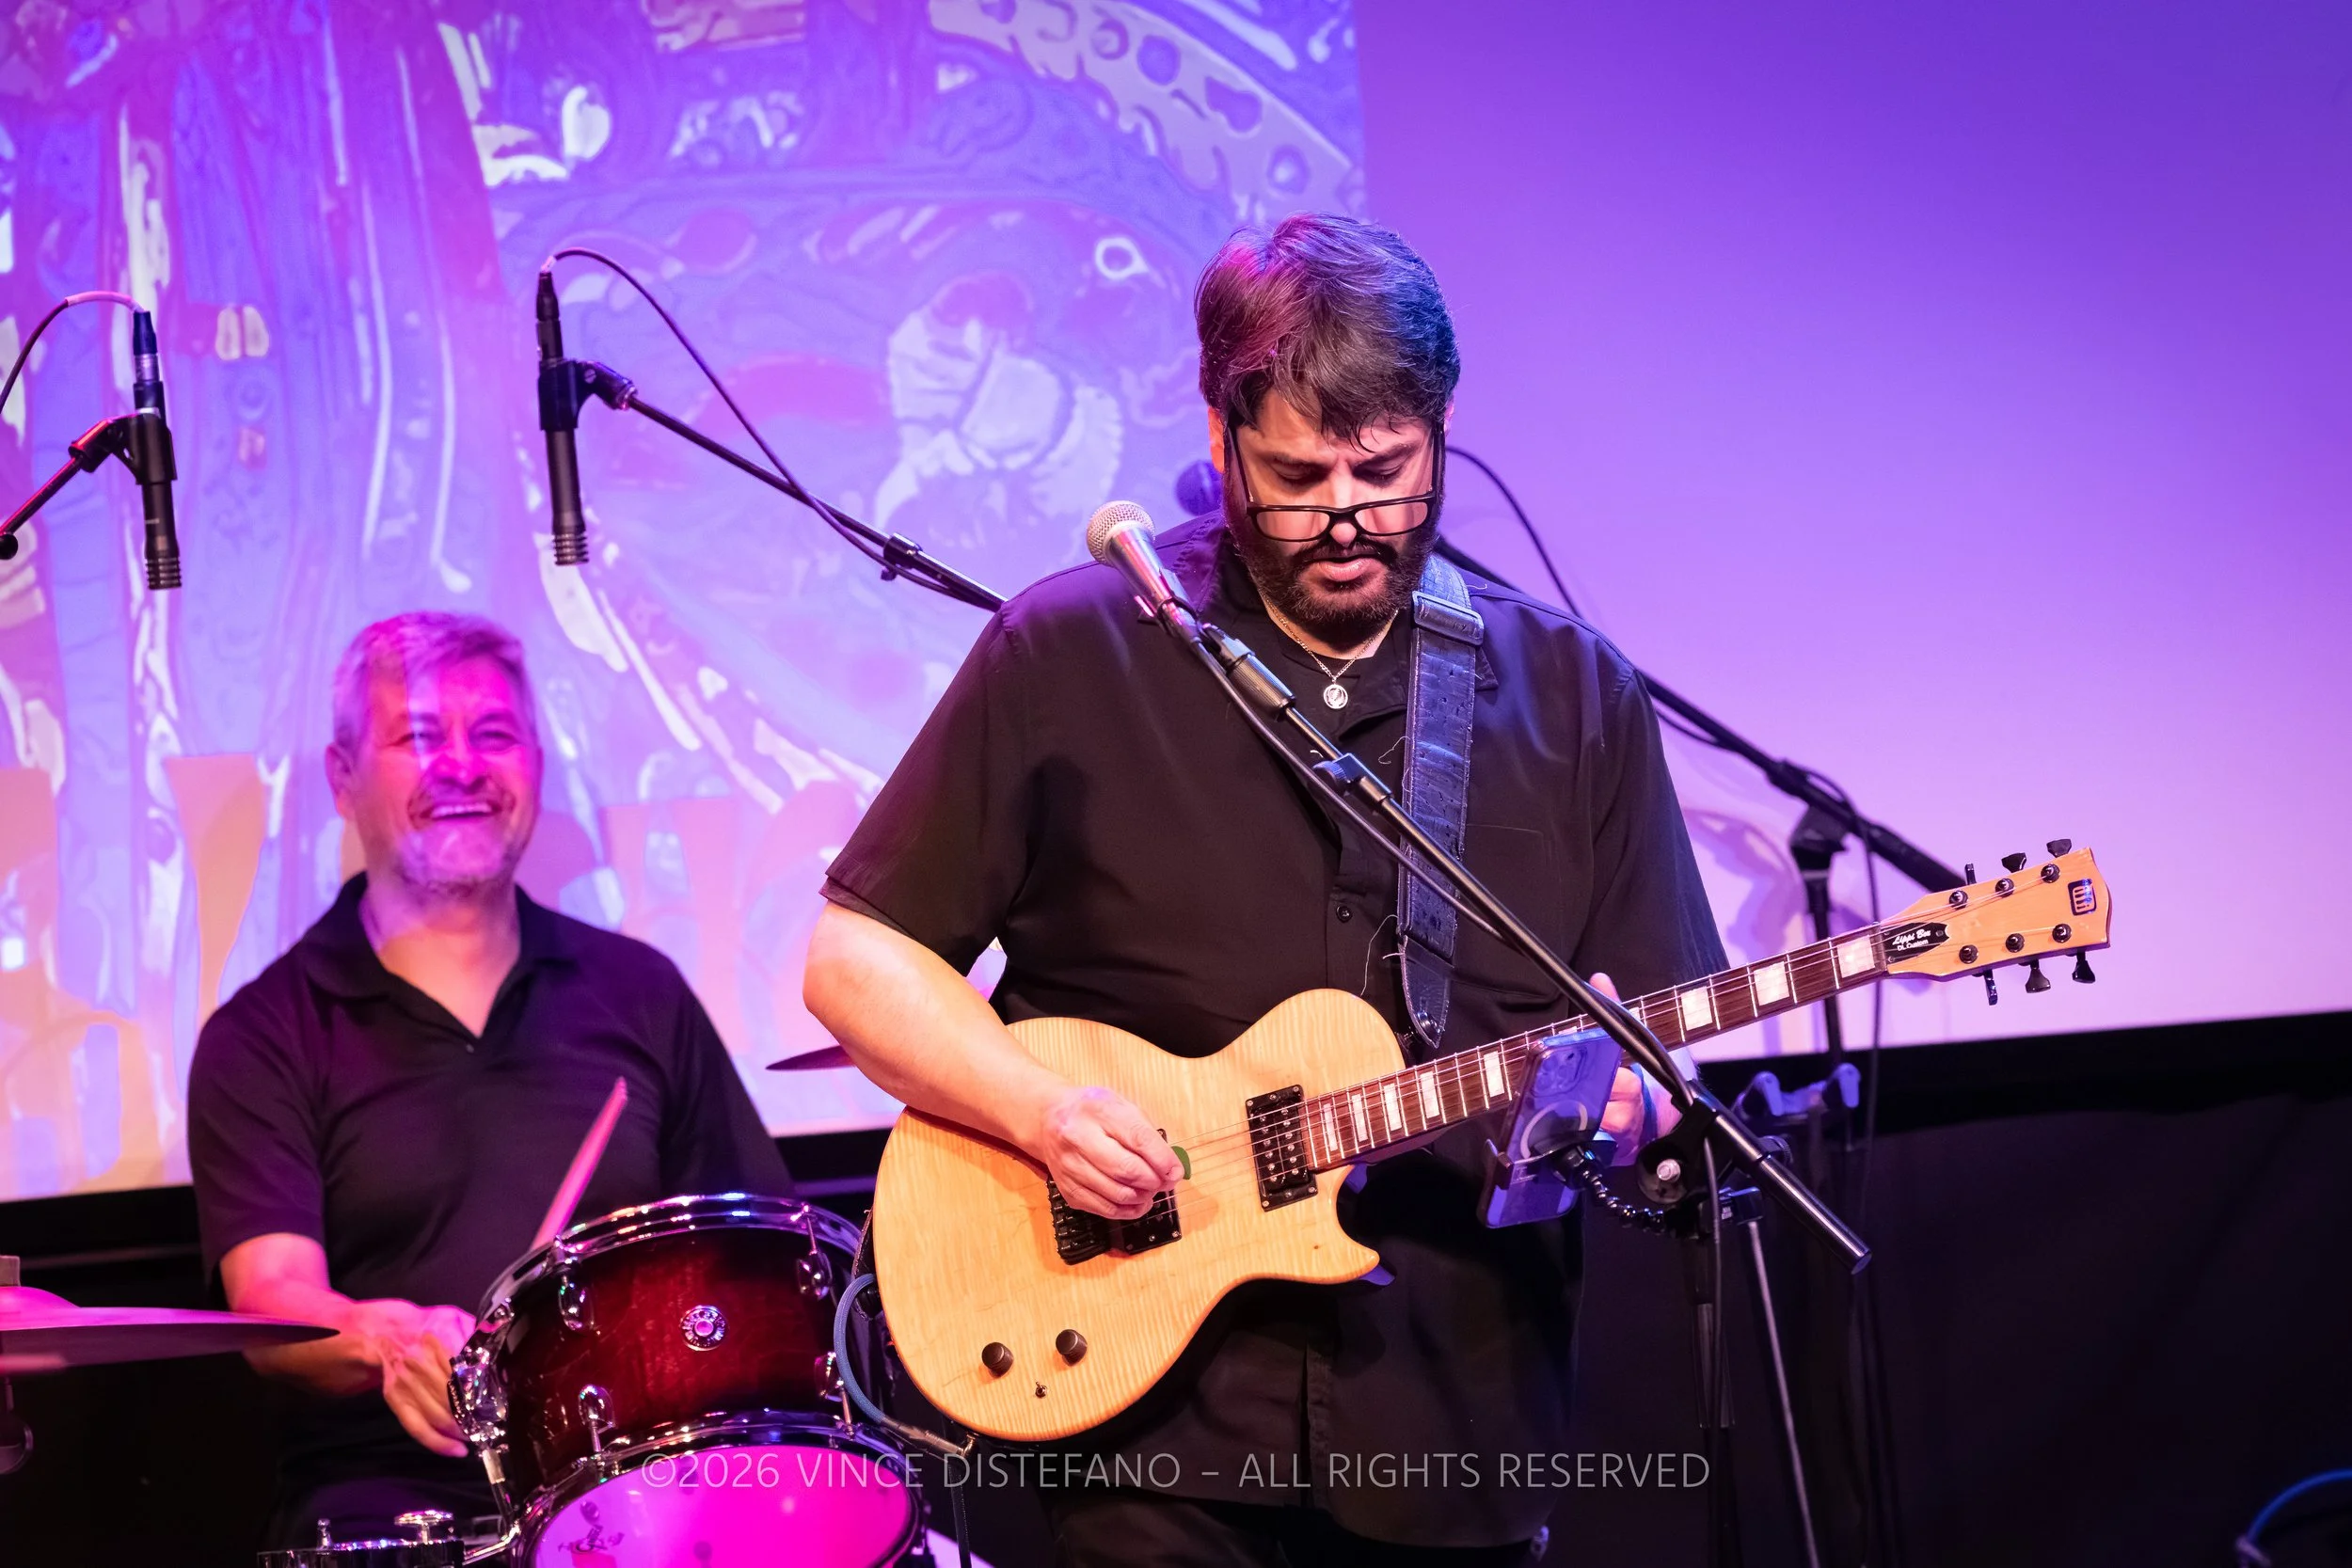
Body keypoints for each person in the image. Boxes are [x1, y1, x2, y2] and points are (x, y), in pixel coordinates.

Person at [803, 214, 1727, 1565]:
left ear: (1443, 422)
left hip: (1456, 1416)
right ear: (1221, 428)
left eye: (1388, 470)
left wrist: (1636, 1098)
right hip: (1143, 1411)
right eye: (1298, 475)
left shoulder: (1575, 692)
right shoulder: (1077, 648)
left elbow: (1645, 1024)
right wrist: (1044, 1110)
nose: (1348, 518)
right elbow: (854, 958)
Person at [187, 611, 791, 1547]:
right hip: (389, 1507)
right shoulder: (265, 1034)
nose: (461, 765)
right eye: (419, 736)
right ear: (342, 779)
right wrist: (386, 1338)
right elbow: (271, 1294)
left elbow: (750, 1260)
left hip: (641, 1496)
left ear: (537, 766)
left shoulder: (638, 991)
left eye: (494, 733)